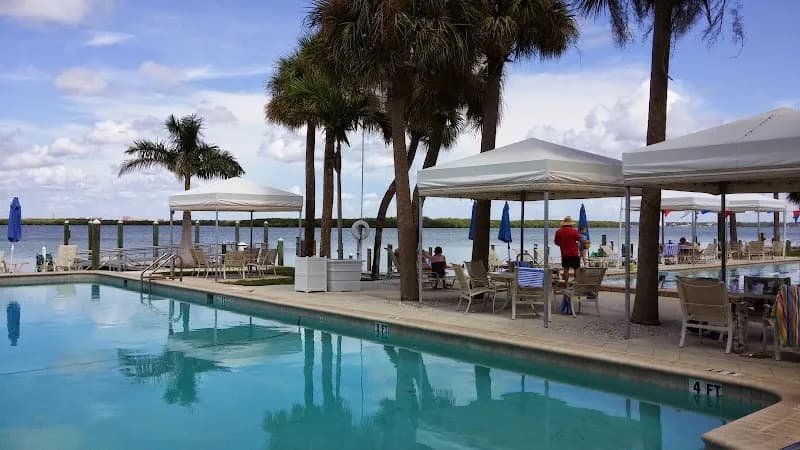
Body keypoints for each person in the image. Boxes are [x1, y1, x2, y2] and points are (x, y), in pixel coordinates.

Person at [554, 216, 581, 286]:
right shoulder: (574, 231)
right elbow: (580, 240)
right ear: (571, 223)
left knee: (566, 270)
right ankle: (576, 285)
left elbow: (556, 242)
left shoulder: (559, 231)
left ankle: (566, 285)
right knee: (576, 269)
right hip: (574, 253)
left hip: (564, 254)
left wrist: (562, 244)